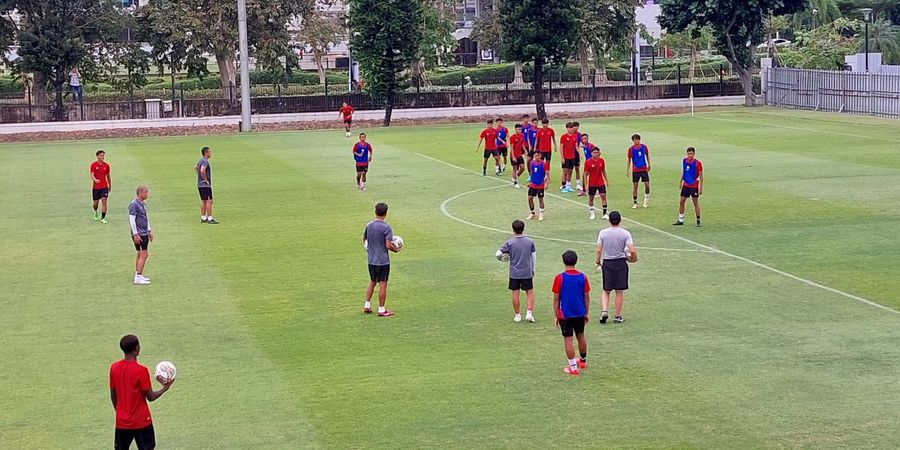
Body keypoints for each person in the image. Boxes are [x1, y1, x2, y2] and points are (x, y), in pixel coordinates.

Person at [110, 335, 173, 450]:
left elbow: (113, 395)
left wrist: (120, 412)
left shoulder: (114, 368)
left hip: (122, 422)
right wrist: (165, 388)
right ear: (136, 349)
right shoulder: (141, 370)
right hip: (142, 422)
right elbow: (150, 396)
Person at [552, 250, 590, 376]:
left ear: (563, 261)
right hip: (580, 312)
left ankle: (573, 367)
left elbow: (556, 298)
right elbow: (586, 297)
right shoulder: (583, 277)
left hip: (565, 314)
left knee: (568, 340)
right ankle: (583, 361)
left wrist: (556, 315)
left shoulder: (559, 278)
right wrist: (586, 312)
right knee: (581, 335)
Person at [595, 211, 637, 324]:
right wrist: (632, 258)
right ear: (620, 220)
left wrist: (598, 261)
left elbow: (599, 249)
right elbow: (632, 250)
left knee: (606, 290)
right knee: (619, 291)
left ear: (609, 220)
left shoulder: (603, 233)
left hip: (608, 263)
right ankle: (617, 316)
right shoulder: (625, 233)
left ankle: (604, 311)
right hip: (620, 263)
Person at [363, 202, 400, 317]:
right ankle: (381, 309)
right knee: (383, 283)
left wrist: (370, 250)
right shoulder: (386, 227)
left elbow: (364, 240)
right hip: (382, 261)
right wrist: (396, 249)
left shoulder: (369, 225)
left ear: (375, 211)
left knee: (372, 281)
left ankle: (367, 305)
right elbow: (388, 245)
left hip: (371, 260)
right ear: (386, 213)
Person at [497, 220, 536, 323]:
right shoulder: (530, 242)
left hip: (514, 273)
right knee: (530, 292)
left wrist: (505, 259)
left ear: (513, 230)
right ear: (523, 229)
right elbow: (533, 257)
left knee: (515, 292)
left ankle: (517, 315)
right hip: (527, 271)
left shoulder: (509, 243)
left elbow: (498, 254)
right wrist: (533, 269)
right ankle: (529, 313)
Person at [129, 186, 153, 285]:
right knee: (144, 254)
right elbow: (132, 219)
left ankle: (138, 274)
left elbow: (145, 218)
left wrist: (149, 230)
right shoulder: (134, 204)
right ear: (140, 193)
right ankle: (138, 276)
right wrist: (135, 234)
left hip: (143, 232)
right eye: (146, 192)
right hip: (139, 233)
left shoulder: (142, 204)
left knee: (140, 253)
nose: (147, 194)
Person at [674, 147, 703, 227]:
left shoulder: (698, 163)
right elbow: (684, 172)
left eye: (691, 154)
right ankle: (680, 220)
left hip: (694, 185)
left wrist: (700, 187)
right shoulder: (684, 161)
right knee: (681, 201)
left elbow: (701, 176)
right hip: (686, 185)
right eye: (688, 154)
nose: (690, 155)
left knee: (695, 202)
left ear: (694, 154)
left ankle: (698, 220)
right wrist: (681, 181)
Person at [582, 142, 609, 220]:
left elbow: (603, 170)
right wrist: (586, 184)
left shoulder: (601, 161)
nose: (596, 154)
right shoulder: (588, 162)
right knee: (591, 198)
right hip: (592, 183)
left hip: (600, 182)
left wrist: (606, 180)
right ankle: (592, 213)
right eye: (594, 153)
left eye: (597, 152)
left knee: (603, 196)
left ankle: (604, 214)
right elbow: (585, 174)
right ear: (591, 153)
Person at [626, 134, 652, 209]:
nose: (636, 141)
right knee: (635, 186)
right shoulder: (631, 149)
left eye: (637, 139)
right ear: (633, 141)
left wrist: (649, 164)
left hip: (643, 169)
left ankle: (646, 198)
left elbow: (647, 155)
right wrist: (627, 170)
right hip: (635, 170)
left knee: (647, 185)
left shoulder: (644, 147)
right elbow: (629, 160)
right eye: (635, 140)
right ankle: (635, 202)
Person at [194, 147, 217, 224]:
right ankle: (210, 218)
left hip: (200, 185)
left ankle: (203, 217)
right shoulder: (205, 161)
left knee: (203, 201)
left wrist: (199, 177)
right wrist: (205, 179)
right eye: (209, 152)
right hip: (205, 185)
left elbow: (195, 168)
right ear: (206, 153)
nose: (210, 153)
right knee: (209, 201)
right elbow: (202, 170)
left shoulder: (200, 160)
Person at [527, 151, 549, 221]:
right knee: (530, 198)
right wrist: (530, 182)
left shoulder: (544, 164)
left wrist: (546, 184)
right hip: (533, 185)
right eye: (536, 155)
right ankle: (532, 213)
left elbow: (547, 174)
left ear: (540, 156)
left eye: (538, 155)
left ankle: (541, 213)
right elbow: (532, 173)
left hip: (540, 185)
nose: (537, 157)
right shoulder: (531, 163)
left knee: (540, 199)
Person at [90, 150, 112, 224]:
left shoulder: (106, 165)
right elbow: (92, 174)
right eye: (101, 156)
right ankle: (96, 212)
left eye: (103, 155)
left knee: (104, 200)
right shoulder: (93, 165)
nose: (102, 157)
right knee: (95, 203)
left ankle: (103, 218)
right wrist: (95, 179)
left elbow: (108, 176)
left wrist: (110, 185)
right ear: (97, 156)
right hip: (96, 187)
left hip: (104, 186)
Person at [559, 122, 579, 193]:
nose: (571, 129)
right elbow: (561, 147)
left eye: (571, 128)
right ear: (567, 128)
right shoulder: (563, 137)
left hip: (572, 156)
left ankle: (568, 185)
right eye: (569, 128)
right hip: (566, 157)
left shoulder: (574, 136)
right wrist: (562, 157)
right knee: (565, 171)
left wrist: (580, 153)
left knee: (570, 171)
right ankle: (563, 185)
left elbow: (576, 146)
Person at [508, 124, 526, 188]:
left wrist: (525, 151)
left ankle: (515, 176)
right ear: (515, 129)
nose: (520, 130)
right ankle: (515, 183)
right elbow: (511, 147)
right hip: (514, 155)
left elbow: (522, 144)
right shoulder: (512, 137)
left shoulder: (522, 136)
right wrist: (513, 156)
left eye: (521, 129)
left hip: (519, 155)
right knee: (515, 168)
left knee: (523, 168)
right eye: (518, 129)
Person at [572, 121, 584, 196]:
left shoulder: (579, 135)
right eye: (574, 126)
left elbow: (581, 143)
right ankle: (566, 184)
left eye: (577, 126)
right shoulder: (570, 134)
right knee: (568, 169)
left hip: (576, 153)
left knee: (577, 168)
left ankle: (578, 183)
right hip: (569, 153)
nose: (576, 128)